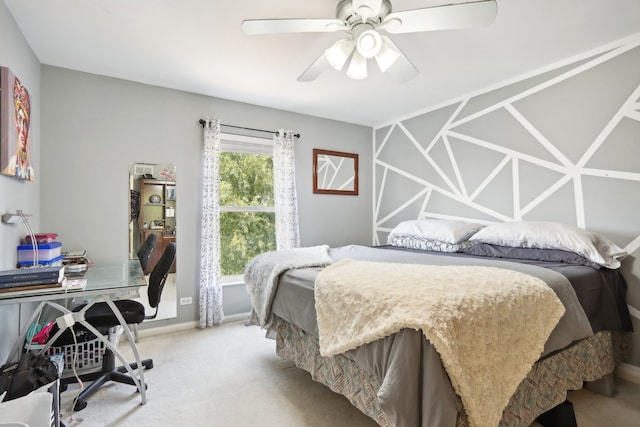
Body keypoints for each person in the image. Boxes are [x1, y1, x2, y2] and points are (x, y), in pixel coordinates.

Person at [2, 75, 35, 180]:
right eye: (19, 120)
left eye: (25, 123)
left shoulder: (30, 170)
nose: (22, 129)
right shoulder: (11, 164)